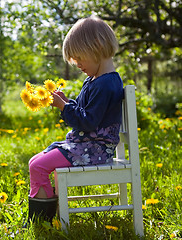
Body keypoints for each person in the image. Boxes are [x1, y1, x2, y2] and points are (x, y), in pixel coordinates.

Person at [26, 15, 124, 224]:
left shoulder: (105, 84)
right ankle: (45, 215)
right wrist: (66, 102)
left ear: (96, 47)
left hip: (94, 149)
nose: (77, 64)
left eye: (79, 58)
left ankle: (42, 221)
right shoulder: (96, 81)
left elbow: (88, 122)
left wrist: (64, 107)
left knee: (38, 167)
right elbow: (85, 112)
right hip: (86, 146)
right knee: (35, 162)